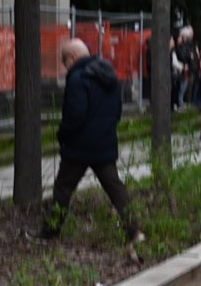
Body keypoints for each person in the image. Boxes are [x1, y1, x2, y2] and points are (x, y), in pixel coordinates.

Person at [37, 39, 144, 248]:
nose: (65, 67)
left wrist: (63, 134)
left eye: (64, 62)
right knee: (115, 188)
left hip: (79, 146)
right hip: (104, 141)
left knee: (63, 188)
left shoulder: (78, 78)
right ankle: (135, 231)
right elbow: (117, 111)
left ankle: (49, 232)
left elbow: (75, 115)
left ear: (72, 57)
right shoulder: (109, 75)